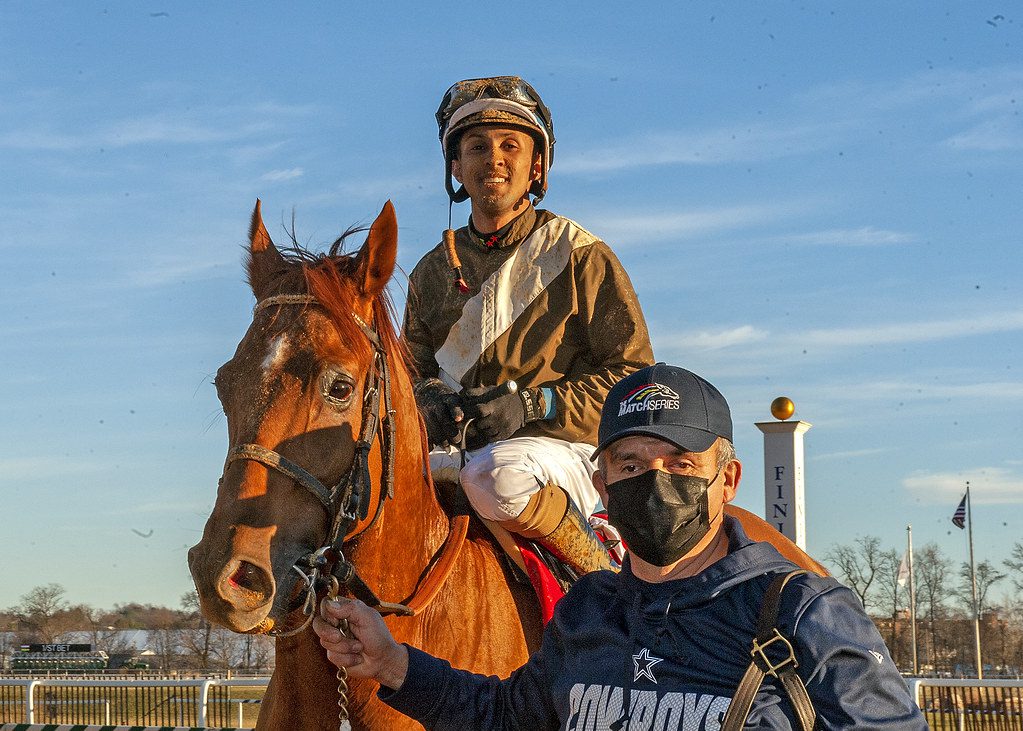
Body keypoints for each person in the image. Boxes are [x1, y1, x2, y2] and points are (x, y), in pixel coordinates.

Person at [314, 364, 927, 729]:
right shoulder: (588, 611)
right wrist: (391, 662)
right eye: (631, 464)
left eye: (681, 462)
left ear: (728, 479)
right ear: (600, 484)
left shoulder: (803, 615)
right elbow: (506, 719)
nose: (656, 481)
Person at [403, 76, 654, 575]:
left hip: (563, 455)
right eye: (476, 147)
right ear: (456, 166)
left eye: (509, 145)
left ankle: (608, 587)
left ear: (535, 165)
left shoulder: (583, 256)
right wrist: (426, 398)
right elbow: (408, 375)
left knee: (496, 475)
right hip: (452, 451)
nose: (492, 158)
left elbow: (634, 384)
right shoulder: (430, 272)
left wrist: (531, 405)